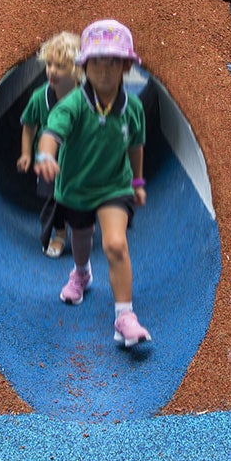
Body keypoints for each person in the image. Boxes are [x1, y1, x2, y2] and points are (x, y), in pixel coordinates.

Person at [32, 19, 150, 348]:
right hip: (76, 189)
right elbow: (52, 133)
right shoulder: (74, 104)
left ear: (126, 65)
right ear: (86, 66)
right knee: (81, 239)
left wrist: (138, 180)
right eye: (97, 62)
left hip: (115, 187)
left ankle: (125, 316)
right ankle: (81, 273)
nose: (105, 71)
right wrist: (46, 156)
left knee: (114, 244)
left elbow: (135, 145)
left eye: (113, 62)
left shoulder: (133, 108)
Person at [15, 31, 81, 258]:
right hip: (48, 162)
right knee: (53, 200)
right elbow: (29, 125)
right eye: (49, 64)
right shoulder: (39, 97)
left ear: (77, 70)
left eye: (60, 66)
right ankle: (60, 233)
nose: (52, 71)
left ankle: (81, 228)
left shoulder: (85, 99)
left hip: (76, 161)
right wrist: (26, 154)